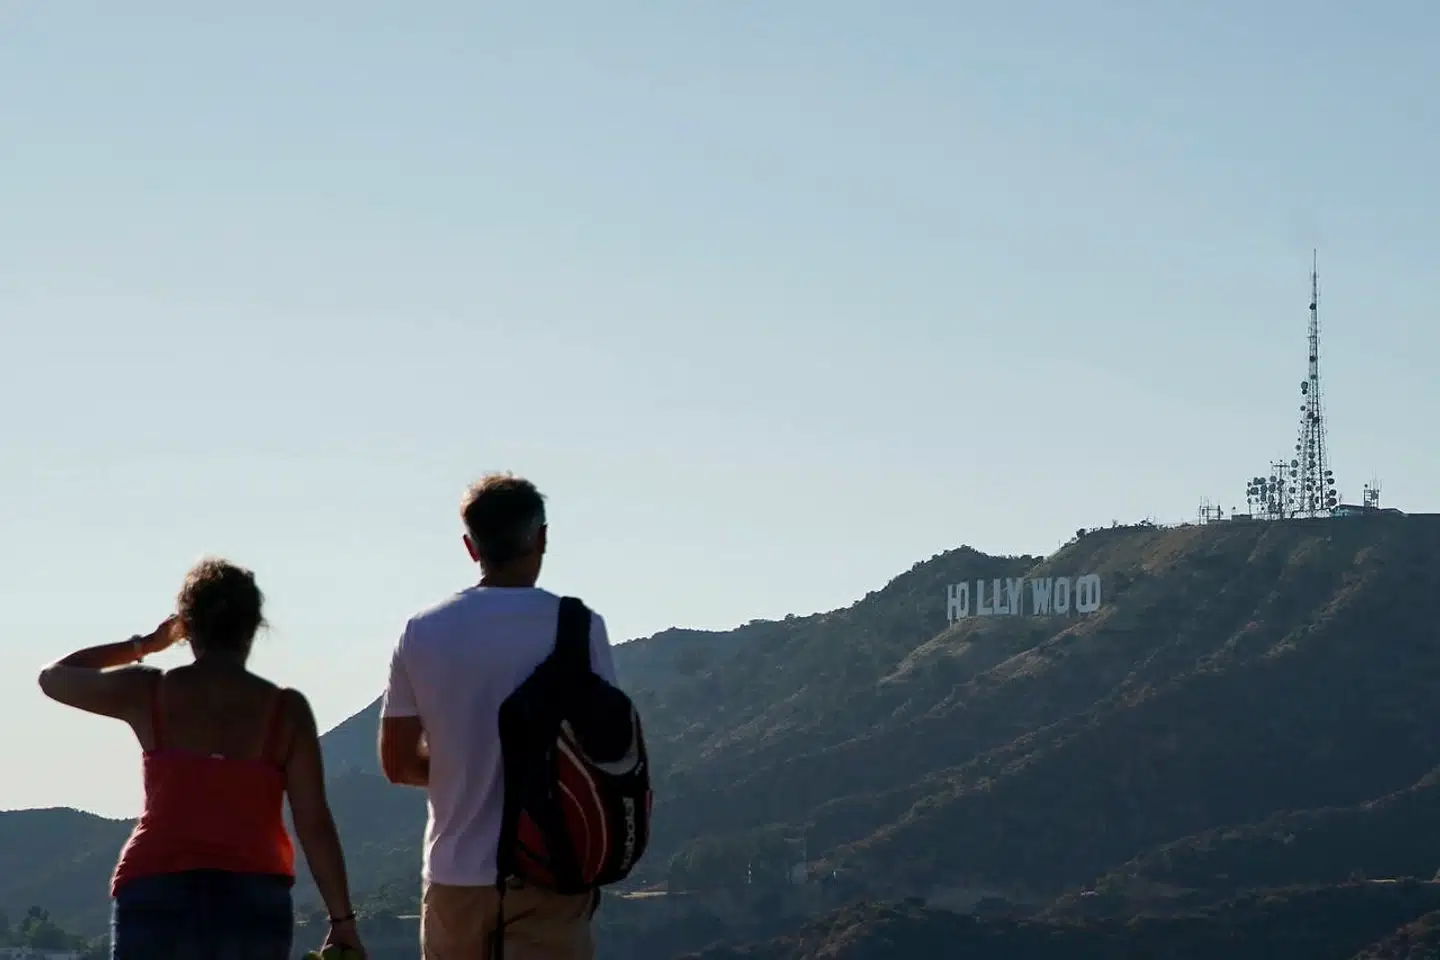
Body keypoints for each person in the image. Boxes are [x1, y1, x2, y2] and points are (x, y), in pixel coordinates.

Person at [37, 557, 366, 960]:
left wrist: (146, 646)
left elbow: (53, 677)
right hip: (253, 893)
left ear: (187, 628)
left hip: (156, 887)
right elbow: (313, 821)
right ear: (253, 628)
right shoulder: (286, 711)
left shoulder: (150, 694)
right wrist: (342, 921)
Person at [379, 473, 618, 960]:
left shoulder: (422, 632)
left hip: (455, 876)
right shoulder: (578, 628)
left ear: (471, 547)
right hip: (552, 871)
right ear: (542, 538)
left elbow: (398, 764)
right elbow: (605, 752)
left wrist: (461, 767)